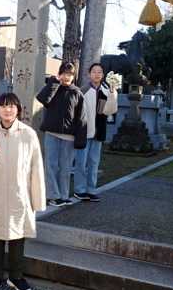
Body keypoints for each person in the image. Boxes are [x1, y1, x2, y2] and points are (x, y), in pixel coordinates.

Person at [0, 93, 46, 290]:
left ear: (18, 110)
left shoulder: (28, 134)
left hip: (19, 195)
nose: (8, 110)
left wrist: (37, 199)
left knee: (18, 238)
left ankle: (16, 277)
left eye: (12, 106)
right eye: (3, 106)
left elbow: (36, 168)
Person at [36, 62, 87, 207]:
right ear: (60, 74)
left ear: (73, 76)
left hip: (69, 137)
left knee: (65, 168)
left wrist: (80, 139)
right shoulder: (54, 87)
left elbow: (82, 118)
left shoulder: (77, 93)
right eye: (64, 73)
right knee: (51, 165)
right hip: (51, 133)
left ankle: (63, 195)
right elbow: (42, 99)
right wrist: (54, 83)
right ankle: (53, 196)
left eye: (70, 74)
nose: (67, 77)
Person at [73, 63, 118, 202]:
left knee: (94, 162)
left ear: (103, 75)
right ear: (89, 74)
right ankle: (79, 190)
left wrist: (112, 93)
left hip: (99, 132)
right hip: (84, 131)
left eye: (99, 72)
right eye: (94, 72)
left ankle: (91, 190)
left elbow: (111, 110)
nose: (97, 74)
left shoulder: (107, 90)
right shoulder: (83, 90)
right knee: (81, 162)